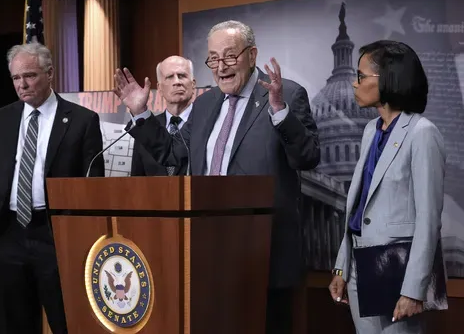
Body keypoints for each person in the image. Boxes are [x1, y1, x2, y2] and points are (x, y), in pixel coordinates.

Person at [114, 20, 320, 333]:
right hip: (208, 251)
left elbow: (307, 157)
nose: (220, 67)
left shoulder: (287, 94)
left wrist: (280, 113)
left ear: (252, 55)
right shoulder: (206, 102)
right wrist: (141, 114)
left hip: (264, 255)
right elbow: (173, 154)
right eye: (213, 58)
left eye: (229, 57)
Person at [0, 42, 105, 334]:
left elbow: (91, 186)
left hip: (55, 235)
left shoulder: (83, 121)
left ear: (50, 74)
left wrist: (74, 234)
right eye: (16, 78)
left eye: (30, 76)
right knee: (14, 325)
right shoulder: (1, 118)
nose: (22, 85)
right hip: (8, 234)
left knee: (66, 323)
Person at [328, 40, 448, 333]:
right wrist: (341, 270)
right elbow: (357, 211)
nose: (355, 84)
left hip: (397, 269)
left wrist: (414, 289)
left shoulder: (422, 133)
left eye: (361, 76)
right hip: (358, 265)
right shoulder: (370, 131)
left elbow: (428, 221)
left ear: (389, 80)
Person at [126, 55, 196, 176]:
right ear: (159, 88)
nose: (177, 82)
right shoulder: (145, 126)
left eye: (182, 76)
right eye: (169, 77)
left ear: (193, 84)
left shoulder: (206, 123)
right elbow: (137, 180)